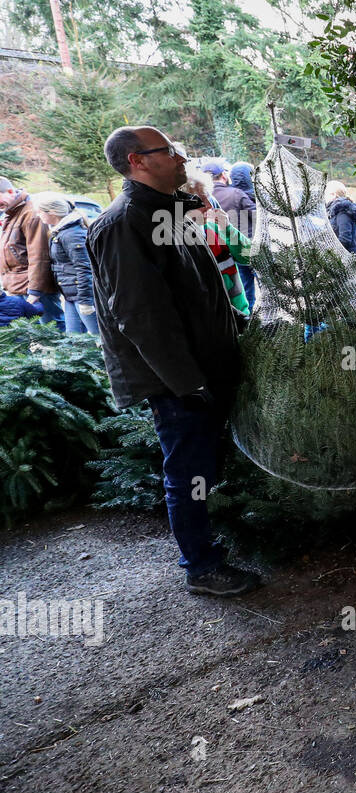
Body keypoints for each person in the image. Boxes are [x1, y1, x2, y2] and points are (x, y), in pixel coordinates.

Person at [87, 125, 258, 597]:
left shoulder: (174, 211)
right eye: (170, 151)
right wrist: (186, 382)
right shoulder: (123, 223)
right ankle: (202, 566)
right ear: (137, 161)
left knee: (208, 464)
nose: (182, 157)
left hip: (208, 366)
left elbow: (206, 293)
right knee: (190, 472)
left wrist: (236, 336)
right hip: (178, 382)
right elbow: (139, 316)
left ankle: (214, 543)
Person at [180, 166, 250, 317]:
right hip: (213, 322)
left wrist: (227, 228)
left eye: (208, 197)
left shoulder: (215, 228)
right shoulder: (177, 241)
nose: (209, 206)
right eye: (199, 201)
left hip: (241, 314)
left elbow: (248, 255)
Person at [31, 193, 97, 335]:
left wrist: (86, 301)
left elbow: (85, 268)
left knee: (101, 337)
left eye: (40, 212)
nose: (38, 216)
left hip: (82, 297)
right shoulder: (60, 232)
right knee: (74, 340)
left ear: (52, 212)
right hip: (71, 296)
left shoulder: (72, 234)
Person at [0, 177, 61, 329]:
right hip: (17, 286)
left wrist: (35, 291)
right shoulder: (10, 213)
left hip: (35, 289)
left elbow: (39, 256)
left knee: (53, 329)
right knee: (28, 334)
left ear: (10, 191)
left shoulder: (31, 214)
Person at [226, 161, 259, 306]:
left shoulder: (228, 193)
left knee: (246, 286)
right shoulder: (252, 196)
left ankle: (249, 316)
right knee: (267, 284)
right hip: (253, 244)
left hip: (236, 247)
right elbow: (258, 217)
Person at [325, 180, 356, 255]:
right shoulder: (334, 212)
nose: (324, 197)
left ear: (333, 195)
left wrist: (330, 252)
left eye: (326, 194)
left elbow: (345, 239)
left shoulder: (343, 212)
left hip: (345, 257)